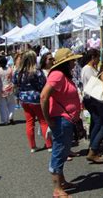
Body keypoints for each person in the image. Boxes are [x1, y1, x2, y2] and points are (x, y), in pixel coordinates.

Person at [40, 48, 85, 197]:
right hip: (61, 120)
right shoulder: (58, 75)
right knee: (59, 152)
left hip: (66, 120)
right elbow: (44, 96)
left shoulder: (63, 76)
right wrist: (48, 119)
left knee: (63, 151)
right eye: (72, 60)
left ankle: (62, 182)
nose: (74, 62)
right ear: (66, 62)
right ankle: (57, 188)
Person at [13, 51, 52, 153]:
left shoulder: (18, 72)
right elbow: (43, 84)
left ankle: (32, 146)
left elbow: (15, 84)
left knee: (29, 122)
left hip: (24, 98)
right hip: (36, 98)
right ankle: (49, 145)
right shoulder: (37, 72)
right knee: (43, 121)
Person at [80, 49, 103, 163]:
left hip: (93, 98)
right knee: (98, 121)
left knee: (95, 122)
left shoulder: (91, 68)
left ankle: (93, 143)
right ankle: (92, 146)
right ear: (93, 57)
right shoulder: (87, 69)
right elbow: (93, 82)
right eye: (97, 57)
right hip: (90, 98)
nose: (99, 59)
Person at [0, 56, 16, 125]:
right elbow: (13, 78)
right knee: (11, 104)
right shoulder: (10, 69)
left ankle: (5, 120)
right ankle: (10, 116)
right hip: (10, 88)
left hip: (0, 89)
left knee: (2, 105)